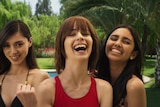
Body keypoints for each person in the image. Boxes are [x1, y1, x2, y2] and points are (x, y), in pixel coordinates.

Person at [36, 16, 113, 107]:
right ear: (62, 47)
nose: (80, 37)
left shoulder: (104, 89)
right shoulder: (46, 90)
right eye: (72, 34)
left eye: (85, 34)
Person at [0, 20, 50, 107]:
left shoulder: (41, 78)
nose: (13, 51)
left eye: (19, 44)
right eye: (7, 45)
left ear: (30, 42)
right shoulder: (1, 77)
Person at [96, 24, 146, 107]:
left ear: (133, 54)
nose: (118, 43)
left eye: (126, 42)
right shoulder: (97, 77)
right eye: (114, 38)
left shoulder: (133, 86)